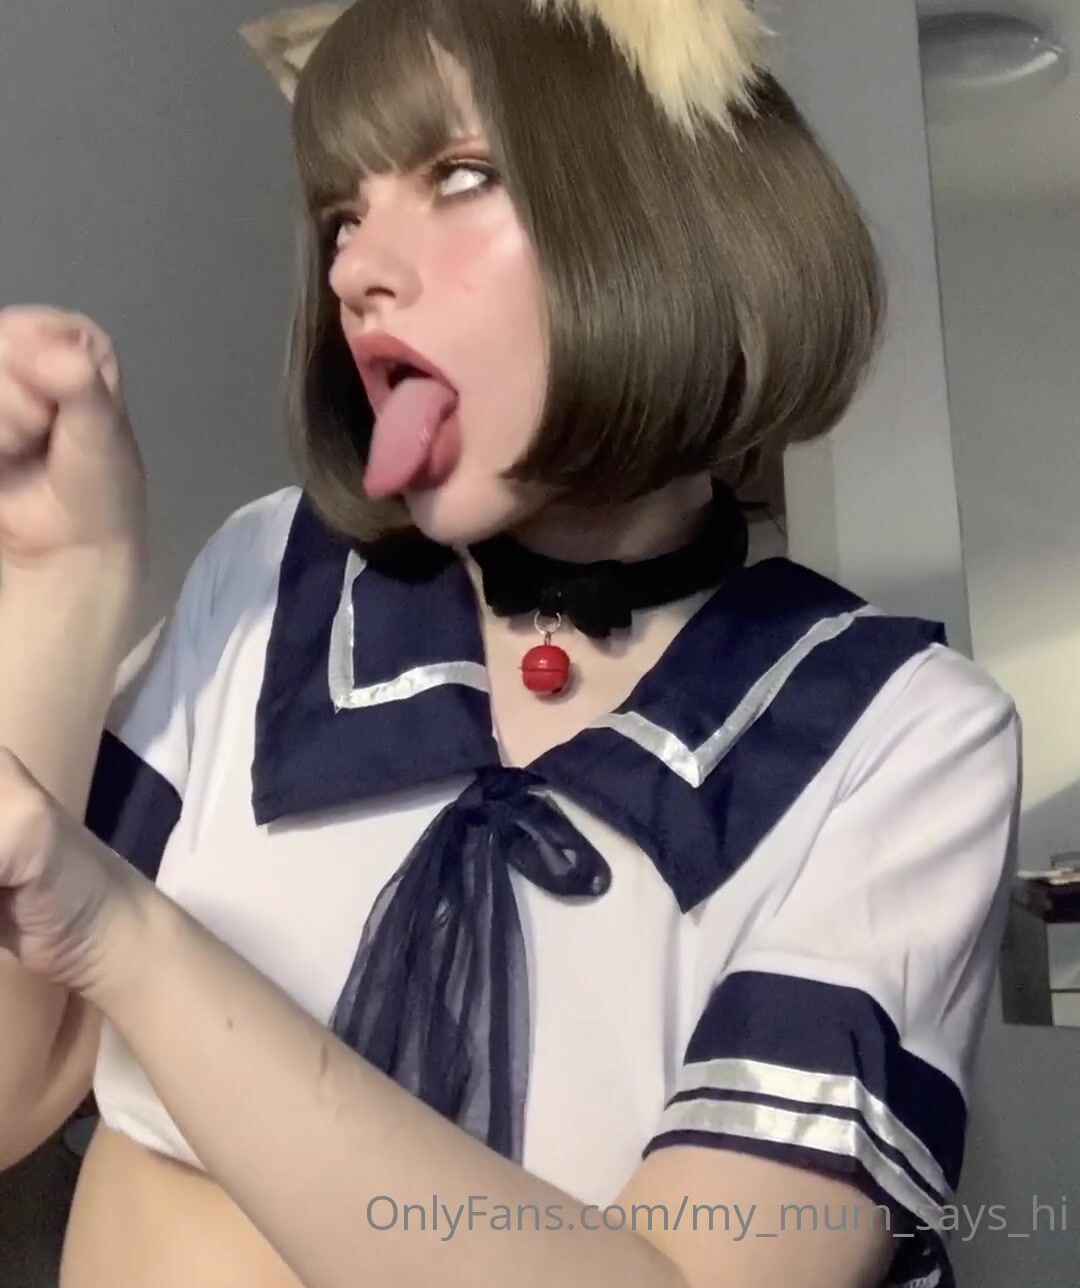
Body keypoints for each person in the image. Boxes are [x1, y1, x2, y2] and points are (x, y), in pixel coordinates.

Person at [0, 2, 1021, 1286]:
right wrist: (64, 581)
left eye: (461, 175)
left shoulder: (901, 733)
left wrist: (133, 942)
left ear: (673, 208)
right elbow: (15, 1087)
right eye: (342, 215)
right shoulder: (270, 576)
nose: (354, 270)